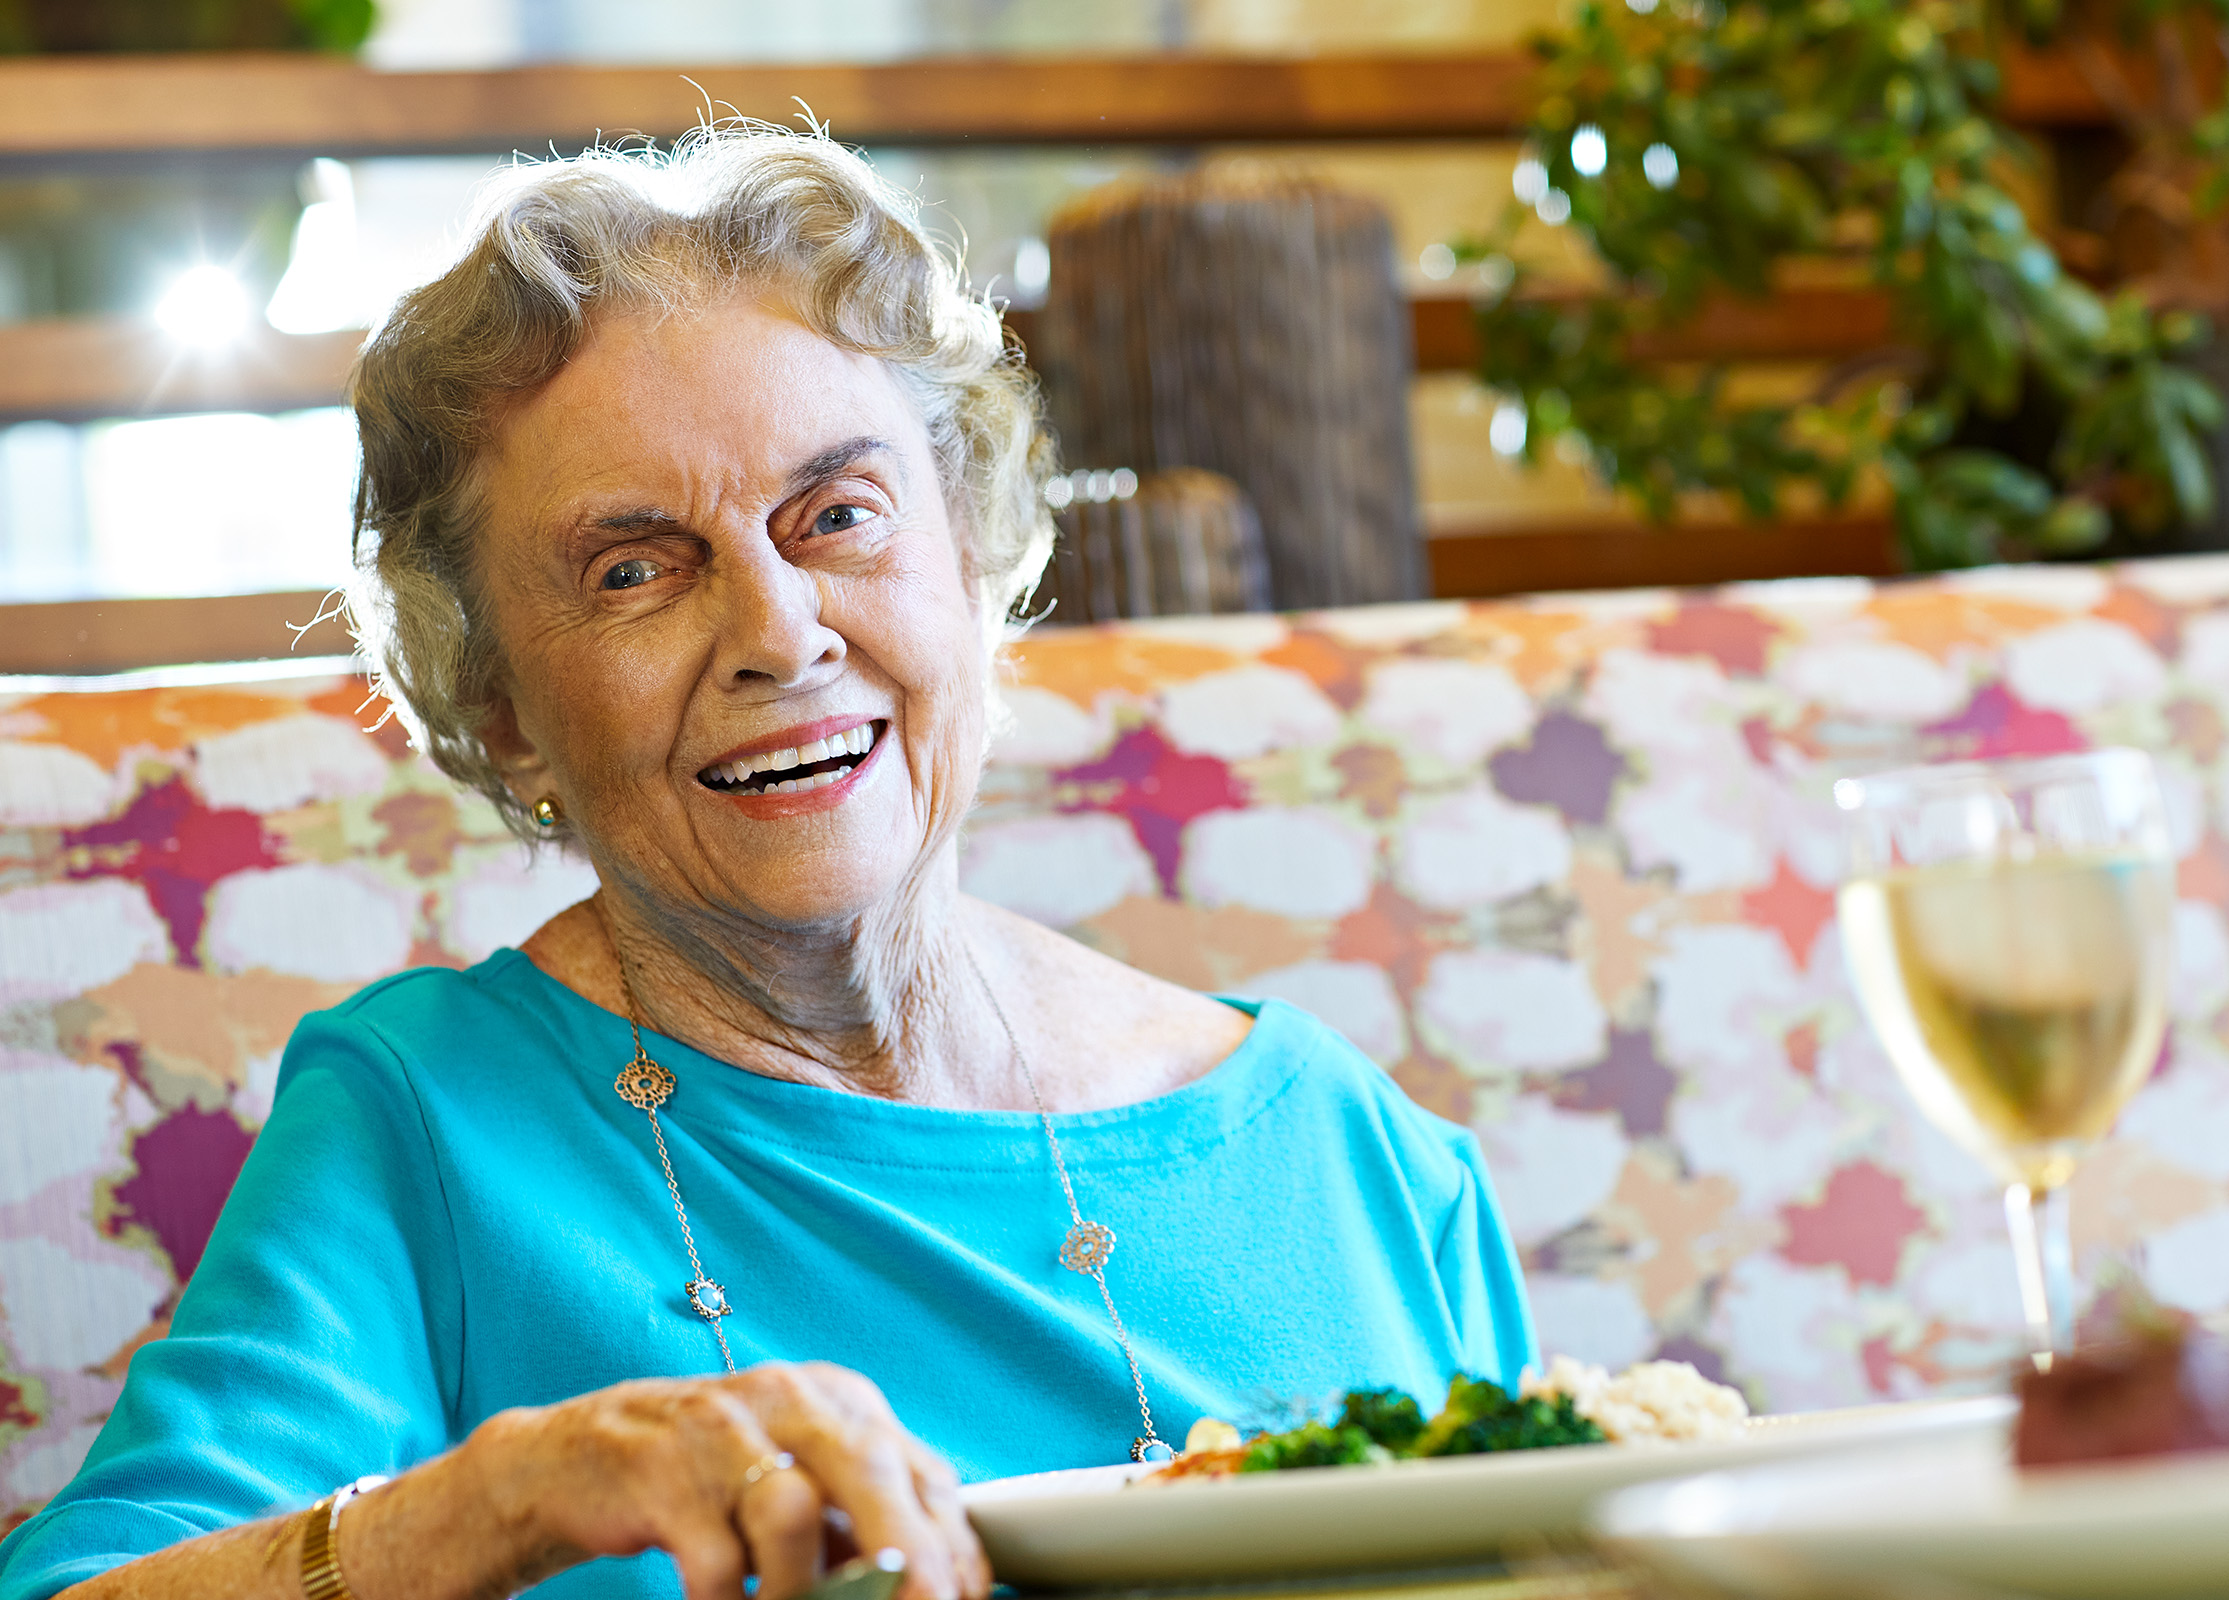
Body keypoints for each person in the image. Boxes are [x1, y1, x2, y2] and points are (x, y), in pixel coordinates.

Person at [0, 127, 1536, 1600]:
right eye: (633, 569)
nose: (781, 631)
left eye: (839, 515)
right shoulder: (426, 1123)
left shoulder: (1364, 1163)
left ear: (977, 563)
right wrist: (494, 1503)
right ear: (504, 716)